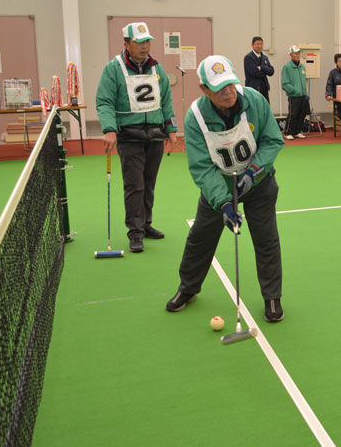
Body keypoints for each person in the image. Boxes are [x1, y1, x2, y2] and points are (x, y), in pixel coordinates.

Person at [166, 55, 286, 322]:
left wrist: (253, 173)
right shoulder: (195, 117)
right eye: (219, 87)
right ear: (204, 90)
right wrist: (224, 202)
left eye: (231, 84)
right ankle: (188, 288)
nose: (228, 91)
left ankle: (272, 296)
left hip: (259, 181)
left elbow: (272, 141)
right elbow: (201, 168)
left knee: (266, 238)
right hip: (219, 182)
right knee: (200, 237)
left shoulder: (255, 100)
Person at [96, 22, 178, 253]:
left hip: (155, 136)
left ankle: (146, 224)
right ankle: (135, 232)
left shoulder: (157, 69)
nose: (145, 47)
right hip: (129, 136)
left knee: (149, 184)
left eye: (148, 42)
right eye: (139, 42)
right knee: (135, 185)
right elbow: (104, 101)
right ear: (126, 43)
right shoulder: (113, 69)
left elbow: (166, 102)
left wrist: (171, 129)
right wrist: (109, 129)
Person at [281, 45, 309, 140]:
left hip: (303, 95)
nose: (298, 55)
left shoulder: (302, 67)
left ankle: (297, 131)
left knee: (302, 114)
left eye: (299, 53)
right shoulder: (287, 67)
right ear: (291, 54)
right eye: (295, 53)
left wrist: (304, 91)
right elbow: (285, 83)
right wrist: (293, 90)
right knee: (293, 114)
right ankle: (288, 132)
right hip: (294, 95)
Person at [243, 36, 275, 103]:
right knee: (255, 109)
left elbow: (271, 71)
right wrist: (265, 71)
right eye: (257, 44)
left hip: (264, 88)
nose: (260, 46)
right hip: (253, 88)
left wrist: (262, 68)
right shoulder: (248, 58)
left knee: (265, 108)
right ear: (252, 45)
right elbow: (255, 72)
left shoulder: (264, 57)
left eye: (261, 44)